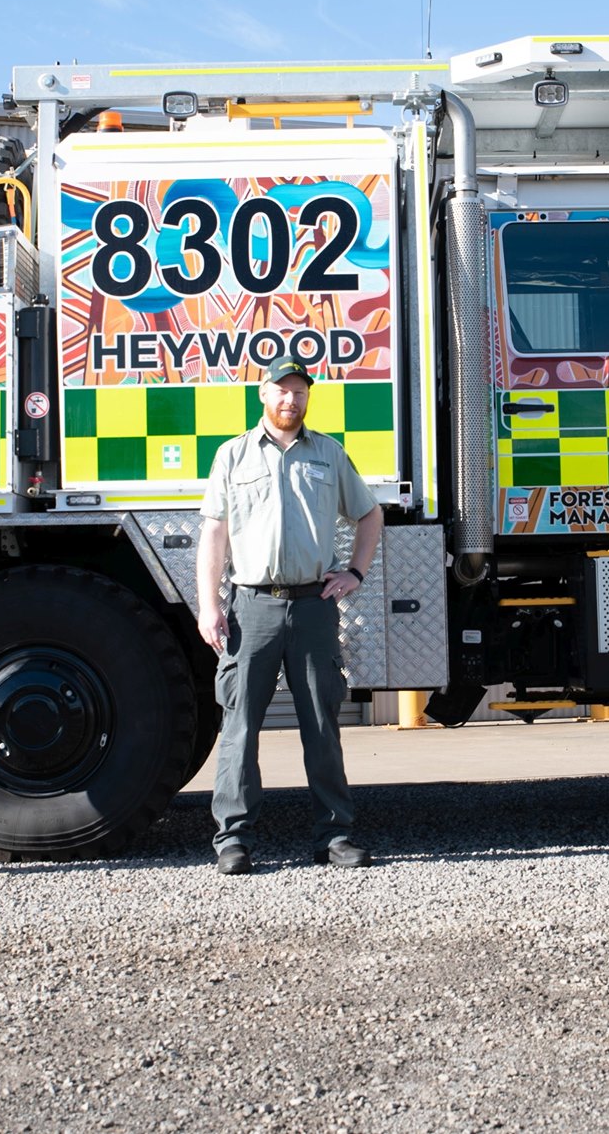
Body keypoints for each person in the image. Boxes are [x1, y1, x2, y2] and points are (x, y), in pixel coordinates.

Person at [196, 356, 383, 875]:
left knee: (322, 724)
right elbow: (213, 533)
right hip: (251, 606)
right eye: (281, 390)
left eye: (299, 391)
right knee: (240, 726)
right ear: (263, 394)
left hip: (312, 606)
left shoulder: (328, 453)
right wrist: (209, 604)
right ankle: (233, 840)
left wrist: (355, 573)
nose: (290, 400)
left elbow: (369, 514)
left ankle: (335, 835)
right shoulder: (233, 455)